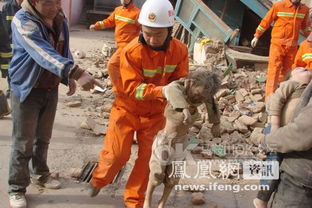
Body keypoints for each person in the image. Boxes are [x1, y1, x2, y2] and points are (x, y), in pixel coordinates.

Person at [88, 0, 189, 207]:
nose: (152, 39)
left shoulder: (180, 51)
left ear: (169, 31)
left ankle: (134, 201)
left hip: (156, 115)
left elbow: (181, 81)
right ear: (141, 28)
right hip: (127, 110)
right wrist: (163, 90)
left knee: (146, 161)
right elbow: (133, 88)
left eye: (158, 34)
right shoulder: (131, 52)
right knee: (117, 155)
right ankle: (99, 180)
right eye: (147, 32)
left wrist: (184, 101)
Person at [8, 1, 102, 208]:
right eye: (49, 2)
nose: (55, 6)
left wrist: (68, 78)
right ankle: (16, 188)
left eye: (58, 1)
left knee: (43, 137)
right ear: (33, 1)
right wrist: (75, 72)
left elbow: (62, 49)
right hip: (27, 89)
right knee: (24, 142)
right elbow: (43, 53)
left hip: (49, 88)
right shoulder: (23, 21)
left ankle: (40, 174)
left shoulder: (60, 18)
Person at [144, 69, 221, 208]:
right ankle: (147, 201)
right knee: (156, 173)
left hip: (182, 142)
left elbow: (212, 104)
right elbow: (172, 90)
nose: (199, 100)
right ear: (191, 82)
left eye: (203, 98)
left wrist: (216, 123)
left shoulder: (204, 95)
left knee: (173, 176)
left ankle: (162, 202)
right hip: (165, 139)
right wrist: (184, 108)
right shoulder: (177, 88)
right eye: (197, 95)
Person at [253, 67, 312, 208]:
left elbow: (303, 131)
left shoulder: (304, 87)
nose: (305, 68)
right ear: (291, 77)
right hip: (278, 132)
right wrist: (274, 126)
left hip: (289, 140)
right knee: (272, 163)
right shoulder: (291, 84)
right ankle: (262, 197)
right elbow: (275, 101)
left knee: (275, 164)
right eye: (299, 69)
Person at [251, 0, 310, 99]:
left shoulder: (304, 10)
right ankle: (269, 99)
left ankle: (281, 97)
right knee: (273, 71)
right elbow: (266, 21)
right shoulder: (279, 6)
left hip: (292, 47)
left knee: (288, 73)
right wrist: (257, 35)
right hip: (277, 46)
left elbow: (306, 28)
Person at [89, 0, 140, 92]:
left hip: (128, 47)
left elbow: (144, 29)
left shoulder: (137, 13)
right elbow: (109, 21)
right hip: (119, 45)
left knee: (112, 65)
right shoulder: (118, 10)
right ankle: (126, 87)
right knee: (124, 67)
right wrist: (96, 26)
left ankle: (118, 89)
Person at [1, 0, 23, 98]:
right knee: (11, 67)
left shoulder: (29, 6)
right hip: (10, 44)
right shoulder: (7, 8)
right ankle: (11, 88)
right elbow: (4, 29)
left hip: (25, 45)